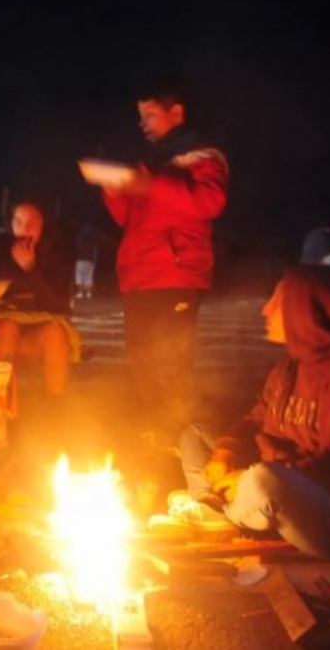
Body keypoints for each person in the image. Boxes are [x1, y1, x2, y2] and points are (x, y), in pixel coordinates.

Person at [156, 266, 330, 560]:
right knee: (195, 434)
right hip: (275, 483)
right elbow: (256, 419)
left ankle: (226, 512)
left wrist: (245, 477)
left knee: (263, 480)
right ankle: (214, 509)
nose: (266, 310)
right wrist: (225, 452)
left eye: (278, 302)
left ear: (305, 312)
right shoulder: (289, 366)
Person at [94, 80, 228, 447]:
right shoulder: (150, 163)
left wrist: (151, 184)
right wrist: (115, 190)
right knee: (143, 363)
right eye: (140, 117)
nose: (142, 124)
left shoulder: (202, 155)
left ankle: (179, 441)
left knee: (170, 364)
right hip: (138, 275)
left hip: (175, 272)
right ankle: (159, 433)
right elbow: (128, 219)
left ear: (176, 112)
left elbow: (209, 202)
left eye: (149, 114)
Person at [0, 202, 79, 396]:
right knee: (7, 328)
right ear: (10, 224)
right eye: (19, 221)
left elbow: (58, 304)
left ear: (42, 226)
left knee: (55, 333)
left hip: (33, 330)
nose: (25, 228)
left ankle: (56, 408)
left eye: (33, 222)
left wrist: (31, 267)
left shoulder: (54, 254)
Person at [73, 220, 99, 300]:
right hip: (89, 260)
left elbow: (76, 246)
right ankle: (88, 293)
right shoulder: (93, 239)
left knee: (80, 276)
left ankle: (80, 293)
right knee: (89, 277)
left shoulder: (80, 237)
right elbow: (95, 250)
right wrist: (95, 260)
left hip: (80, 259)